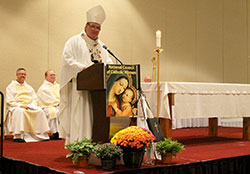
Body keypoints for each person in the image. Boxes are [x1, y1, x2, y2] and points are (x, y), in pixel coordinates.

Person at [59, 5, 113, 144]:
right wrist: (84, 68)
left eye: (98, 27)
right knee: (82, 117)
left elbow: (109, 65)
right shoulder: (74, 42)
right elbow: (67, 61)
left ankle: (96, 144)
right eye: (93, 26)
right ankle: (81, 145)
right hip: (81, 90)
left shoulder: (102, 46)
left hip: (99, 92)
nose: (95, 30)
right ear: (86, 25)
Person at [5, 68, 50, 142]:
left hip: (29, 106)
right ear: (17, 75)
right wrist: (20, 105)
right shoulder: (10, 87)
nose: (23, 76)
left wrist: (30, 105)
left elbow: (35, 99)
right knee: (21, 111)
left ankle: (41, 135)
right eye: (21, 74)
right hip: (17, 106)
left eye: (24, 74)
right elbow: (9, 100)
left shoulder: (29, 87)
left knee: (40, 111)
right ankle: (19, 136)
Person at [37, 70, 60, 140]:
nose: (53, 76)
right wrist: (58, 102)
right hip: (48, 106)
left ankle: (63, 132)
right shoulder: (43, 88)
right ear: (46, 77)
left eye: (54, 75)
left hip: (58, 105)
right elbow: (47, 100)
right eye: (51, 75)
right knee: (54, 112)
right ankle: (55, 132)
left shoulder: (58, 86)